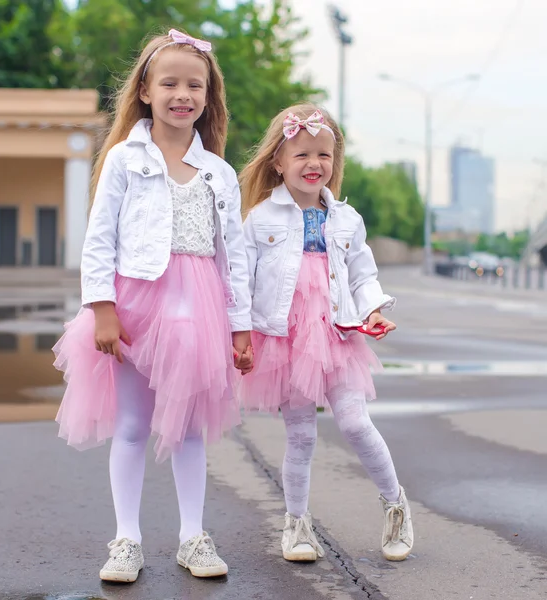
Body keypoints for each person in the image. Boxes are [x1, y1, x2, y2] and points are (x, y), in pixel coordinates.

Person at [53, 28, 253, 583]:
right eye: (169, 83)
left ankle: (193, 536)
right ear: (145, 90)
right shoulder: (123, 158)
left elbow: (231, 254)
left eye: (195, 85)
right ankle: (127, 540)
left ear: (209, 98)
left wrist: (241, 327)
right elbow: (99, 238)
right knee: (135, 424)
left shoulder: (219, 172)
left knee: (190, 427)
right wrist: (103, 308)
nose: (182, 94)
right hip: (136, 304)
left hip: (199, 309)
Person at [238, 104, 413, 563]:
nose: (314, 164)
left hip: (336, 335)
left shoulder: (346, 220)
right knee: (301, 436)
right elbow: (241, 278)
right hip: (285, 339)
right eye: (301, 155)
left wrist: (373, 308)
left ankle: (395, 504)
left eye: (324, 155)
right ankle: (296, 525)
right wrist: (240, 333)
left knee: (355, 422)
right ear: (277, 161)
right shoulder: (259, 219)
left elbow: (361, 273)